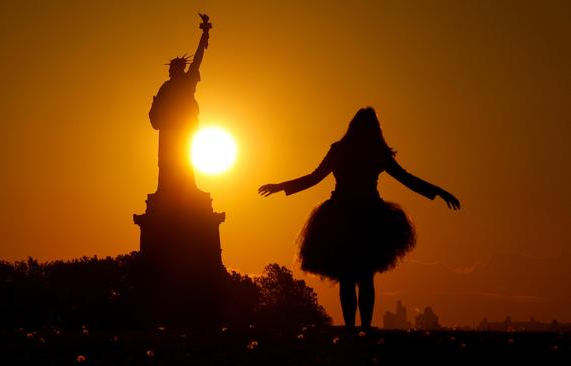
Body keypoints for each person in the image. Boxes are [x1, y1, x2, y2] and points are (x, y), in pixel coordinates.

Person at [258, 107, 460, 330]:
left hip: (344, 216)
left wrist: (280, 187)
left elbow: (314, 178)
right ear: (375, 129)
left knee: (348, 276)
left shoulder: (342, 150)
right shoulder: (375, 151)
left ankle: (352, 328)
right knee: (365, 276)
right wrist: (440, 192)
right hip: (366, 216)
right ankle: (363, 327)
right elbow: (407, 179)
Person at [149, 13, 212, 193]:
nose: (169, 72)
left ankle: (185, 190)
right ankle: (166, 190)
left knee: (184, 160)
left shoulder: (187, 81)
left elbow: (198, 58)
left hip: (184, 128)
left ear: (178, 69)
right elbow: (156, 110)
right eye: (169, 69)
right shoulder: (166, 87)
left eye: (171, 69)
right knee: (168, 162)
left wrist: (205, 35)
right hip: (170, 130)